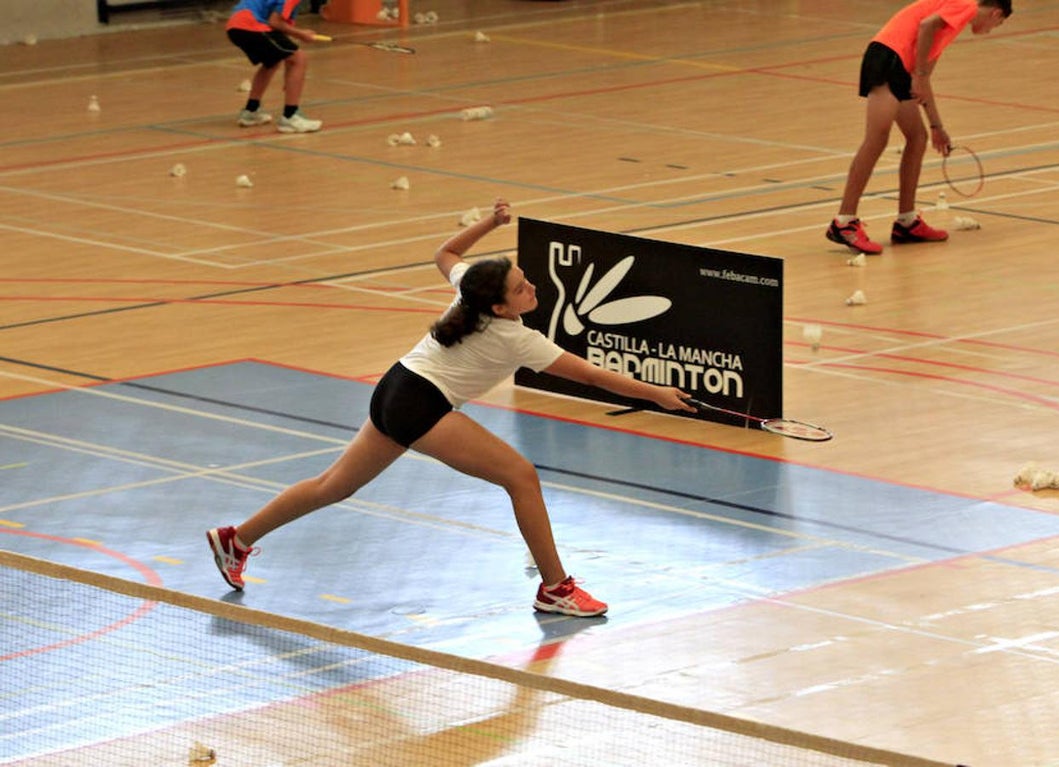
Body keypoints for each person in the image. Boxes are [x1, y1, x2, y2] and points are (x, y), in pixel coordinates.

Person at [206, 199, 696, 617]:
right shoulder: (515, 338)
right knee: (520, 475)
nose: (531, 289)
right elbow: (591, 375)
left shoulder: (469, 290)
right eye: (522, 288)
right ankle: (556, 589)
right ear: (502, 307)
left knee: (333, 486)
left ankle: (237, 538)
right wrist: (655, 393)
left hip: (394, 386)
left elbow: (447, 254)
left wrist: (491, 224)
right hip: (420, 404)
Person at [826, 0, 1012, 255]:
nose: (991, 29)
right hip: (887, 57)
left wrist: (937, 126)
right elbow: (926, 27)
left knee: (918, 137)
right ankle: (844, 223)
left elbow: (923, 81)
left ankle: (907, 222)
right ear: (996, 12)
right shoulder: (967, 5)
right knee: (876, 139)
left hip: (900, 66)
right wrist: (920, 73)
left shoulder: (949, 27)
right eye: (996, 24)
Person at [226, 0, 323, 134]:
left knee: (272, 62)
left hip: (235, 26)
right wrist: (301, 34)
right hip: (251, 24)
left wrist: (290, 78)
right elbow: (275, 22)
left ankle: (251, 110)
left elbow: (278, 31)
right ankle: (290, 116)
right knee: (299, 58)